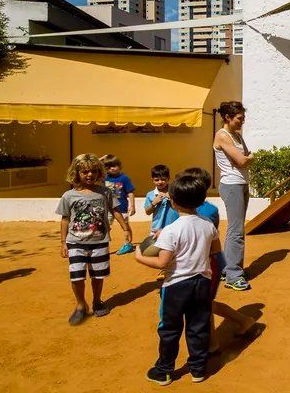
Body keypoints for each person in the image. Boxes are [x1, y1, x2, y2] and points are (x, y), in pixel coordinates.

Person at [135, 168, 220, 385]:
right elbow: (215, 251)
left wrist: (139, 257)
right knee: (198, 327)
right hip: (202, 282)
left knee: (170, 328)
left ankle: (164, 371)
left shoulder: (171, 230)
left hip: (175, 286)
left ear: (172, 201)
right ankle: (198, 369)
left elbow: (162, 262)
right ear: (201, 200)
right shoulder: (208, 225)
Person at [160, 168, 258, 351]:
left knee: (203, 305)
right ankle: (237, 325)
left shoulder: (177, 211)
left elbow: (175, 238)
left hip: (196, 265)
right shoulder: (211, 210)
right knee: (205, 303)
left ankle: (218, 340)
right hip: (212, 260)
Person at [56, 153, 132, 325]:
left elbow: (115, 211)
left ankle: (97, 301)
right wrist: (63, 243)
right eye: (84, 172)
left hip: (99, 241)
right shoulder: (69, 196)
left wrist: (125, 228)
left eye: (93, 171)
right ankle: (80, 304)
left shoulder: (105, 192)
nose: (89, 175)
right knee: (77, 276)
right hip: (75, 242)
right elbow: (65, 219)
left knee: (98, 275)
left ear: (99, 173)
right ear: (76, 174)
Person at [214, 100, 254, 292]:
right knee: (236, 230)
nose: (242, 121)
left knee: (236, 229)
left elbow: (244, 157)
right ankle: (233, 275)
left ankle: (230, 269)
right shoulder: (222, 136)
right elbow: (242, 160)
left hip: (241, 184)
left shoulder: (236, 136)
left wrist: (246, 159)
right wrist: (248, 159)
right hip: (232, 185)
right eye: (239, 118)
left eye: (243, 118)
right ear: (228, 117)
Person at [101, 154, 136, 255]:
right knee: (105, 226)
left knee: (125, 226)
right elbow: (94, 167)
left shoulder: (124, 178)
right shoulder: (104, 178)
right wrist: (102, 159)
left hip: (122, 208)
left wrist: (132, 206)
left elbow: (130, 192)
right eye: (108, 166)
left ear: (119, 166)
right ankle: (103, 245)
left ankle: (128, 244)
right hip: (108, 209)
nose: (112, 168)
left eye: (114, 165)